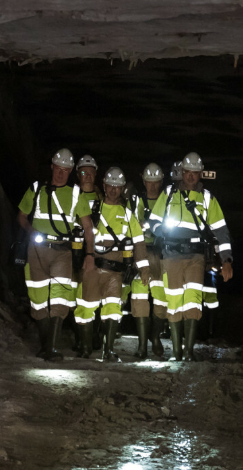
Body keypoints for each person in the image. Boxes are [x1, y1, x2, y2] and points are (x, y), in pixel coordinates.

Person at [152, 152, 234, 361]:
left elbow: (221, 231)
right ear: (182, 172)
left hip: (195, 257)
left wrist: (227, 260)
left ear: (200, 175)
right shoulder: (169, 193)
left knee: (192, 302)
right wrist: (162, 231)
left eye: (195, 173)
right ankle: (176, 353)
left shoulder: (207, 198)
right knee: (173, 301)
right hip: (170, 255)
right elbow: (153, 221)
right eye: (187, 172)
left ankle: (188, 352)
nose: (190, 176)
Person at [17, 148, 96, 359]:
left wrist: (90, 255)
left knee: (60, 299)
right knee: (39, 298)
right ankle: (45, 346)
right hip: (36, 251)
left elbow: (88, 227)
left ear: (70, 171)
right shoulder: (36, 189)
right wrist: (31, 231)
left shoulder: (75, 194)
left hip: (63, 251)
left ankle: (51, 348)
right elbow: (22, 216)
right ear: (52, 166)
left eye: (65, 170)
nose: (61, 173)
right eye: (58, 168)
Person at [74, 167, 149, 362]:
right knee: (86, 307)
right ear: (104, 186)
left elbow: (139, 240)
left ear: (123, 188)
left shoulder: (126, 213)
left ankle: (108, 351)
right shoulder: (93, 209)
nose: (114, 190)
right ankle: (85, 347)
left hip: (115, 271)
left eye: (118, 187)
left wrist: (144, 267)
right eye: (111, 186)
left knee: (113, 309)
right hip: (93, 267)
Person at [131, 162, 168, 359]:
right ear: (143, 181)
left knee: (161, 300)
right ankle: (141, 346)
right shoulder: (136, 201)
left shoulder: (168, 201)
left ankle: (155, 338)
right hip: (141, 252)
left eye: (156, 182)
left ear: (161, 182)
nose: (152, 186)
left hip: (161, 254)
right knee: (139, 300)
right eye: (149, 182)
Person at [71, 154, 100, 354]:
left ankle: (93, 337)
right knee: (74, 296)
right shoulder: (71, 196)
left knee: (92, 296)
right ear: (78, 174)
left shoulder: (102, 198)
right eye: (84, 172)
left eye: (91, 172)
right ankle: (79, 338)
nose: (87, 176)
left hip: (95, 252)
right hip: (72, 251)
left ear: (96, 174)